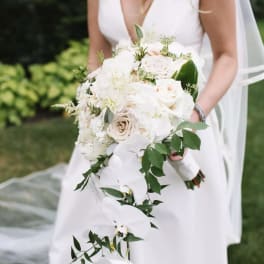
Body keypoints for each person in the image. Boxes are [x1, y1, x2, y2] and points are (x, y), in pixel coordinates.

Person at [48, 0, 242, 263]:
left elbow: (227, 57)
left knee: (175, 238)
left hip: (179, 128)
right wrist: (95, 107)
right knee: (97, 227)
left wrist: (193, 116)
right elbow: (98, 52)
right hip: (113, 127)